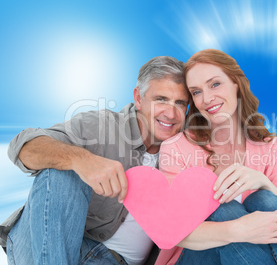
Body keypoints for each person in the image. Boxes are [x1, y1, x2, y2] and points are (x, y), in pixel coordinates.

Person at [0, 56, 190, 265]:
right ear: (138, 98)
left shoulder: (187, 153)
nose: (171, 113)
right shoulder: (101, 127)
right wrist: (82, 160)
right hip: (47, 246)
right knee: (61, 169)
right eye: (161, 99)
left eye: (180, 103)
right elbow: (23, 145)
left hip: (113, 260)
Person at [155, 49, 277, 264]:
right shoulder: (177, 148)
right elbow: (171, 231)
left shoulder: (274, 148)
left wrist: (263, 182)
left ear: (236, 83)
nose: (206, 98)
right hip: (194, 256)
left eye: (215, 84)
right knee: (223, 208)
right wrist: (238, 230)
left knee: (265, 197)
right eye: (196, 92)